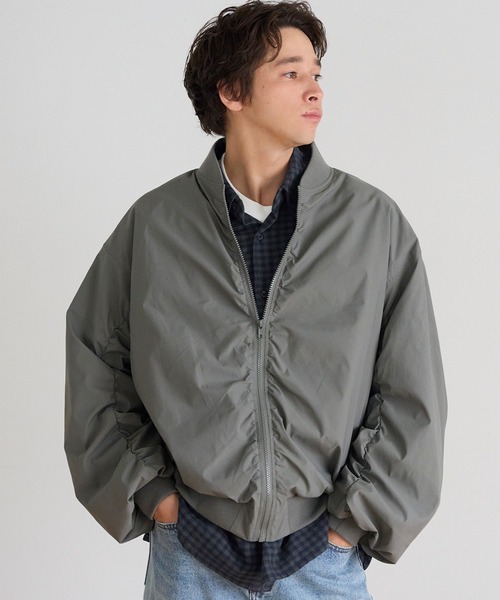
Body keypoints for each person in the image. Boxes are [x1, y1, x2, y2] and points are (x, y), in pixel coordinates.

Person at [64, 1, 447, 598]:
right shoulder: (155, 226)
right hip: (190, 555)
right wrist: (156, 499)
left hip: (322, 561)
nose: (314, 90)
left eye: (316, 73)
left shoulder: (373, 225)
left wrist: (349, 526)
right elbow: (96, 363)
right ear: (232, 92)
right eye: (291, 73)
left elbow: (410, 390)